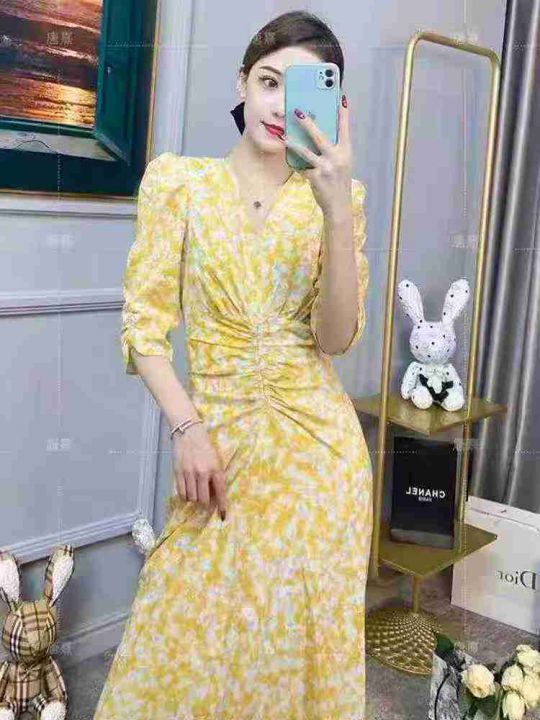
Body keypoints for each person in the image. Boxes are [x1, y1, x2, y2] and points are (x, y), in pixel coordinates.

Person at [93, 9, 373, 720]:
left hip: (320, 463)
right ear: (242, 83)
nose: (280, 105)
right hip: (216, 448)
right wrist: (187, 428)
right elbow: (144, 326)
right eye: (269, 81)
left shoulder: (338, 200)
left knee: (292, 652)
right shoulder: (179, 185)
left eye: (300, 90)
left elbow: (336, 337)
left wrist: (337, 210)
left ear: (332, 107)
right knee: (182, 642)